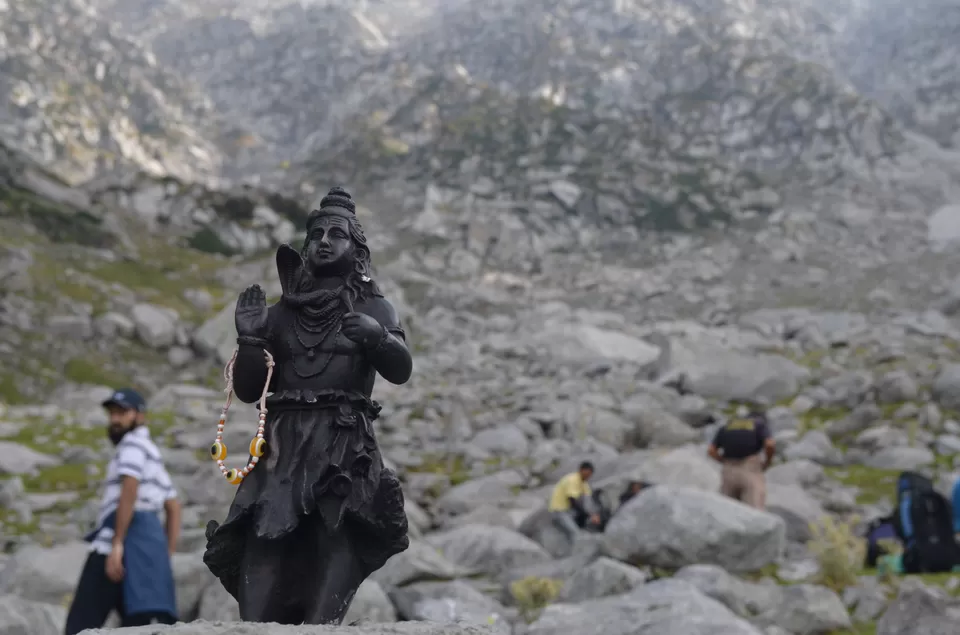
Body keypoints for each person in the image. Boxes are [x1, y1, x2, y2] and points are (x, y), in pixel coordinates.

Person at [203, 187, 412, 625]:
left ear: (357, 251)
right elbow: (248, 390)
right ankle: (256, 624)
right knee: (263, 534)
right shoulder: (281, 315)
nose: (323, 240)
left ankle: (322, 624)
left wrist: (376, 338)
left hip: (342, 438)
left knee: (333, 532)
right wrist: (250, 338)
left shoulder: (375, 307)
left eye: (337, 234)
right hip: (283, 440)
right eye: (316, 232)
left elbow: (400, 369)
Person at [65, 388, 180, 635]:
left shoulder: (132, 445)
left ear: (140, 415)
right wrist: (165, 554)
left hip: (113, 546)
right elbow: (173, 506)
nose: (115, 419)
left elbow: (130, 485)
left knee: (80, 624)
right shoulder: (151, 450)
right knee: (135, 624)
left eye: (122, 412)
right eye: (112, 413)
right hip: (145, 552)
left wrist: (117, 544)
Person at [707, 406, 775, 510]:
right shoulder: (759, 425)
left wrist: (722, 460)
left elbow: (711, 450)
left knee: (726, 510)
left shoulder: (727, 426)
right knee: (754, 511)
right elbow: (770, 445)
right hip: (750, 468)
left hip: (728, 470)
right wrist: (767, 462)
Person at [548, 461, 599, 542]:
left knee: (588, 523)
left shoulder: (584, 484)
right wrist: (588, 514)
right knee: (575, 533)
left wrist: (594, 514)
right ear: (582, 470)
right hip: (559, 510)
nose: (588, 476)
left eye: (590, 474)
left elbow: (588, 500)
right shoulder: (572, 479)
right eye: (587, 473)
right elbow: (572, 500)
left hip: (570, 511)